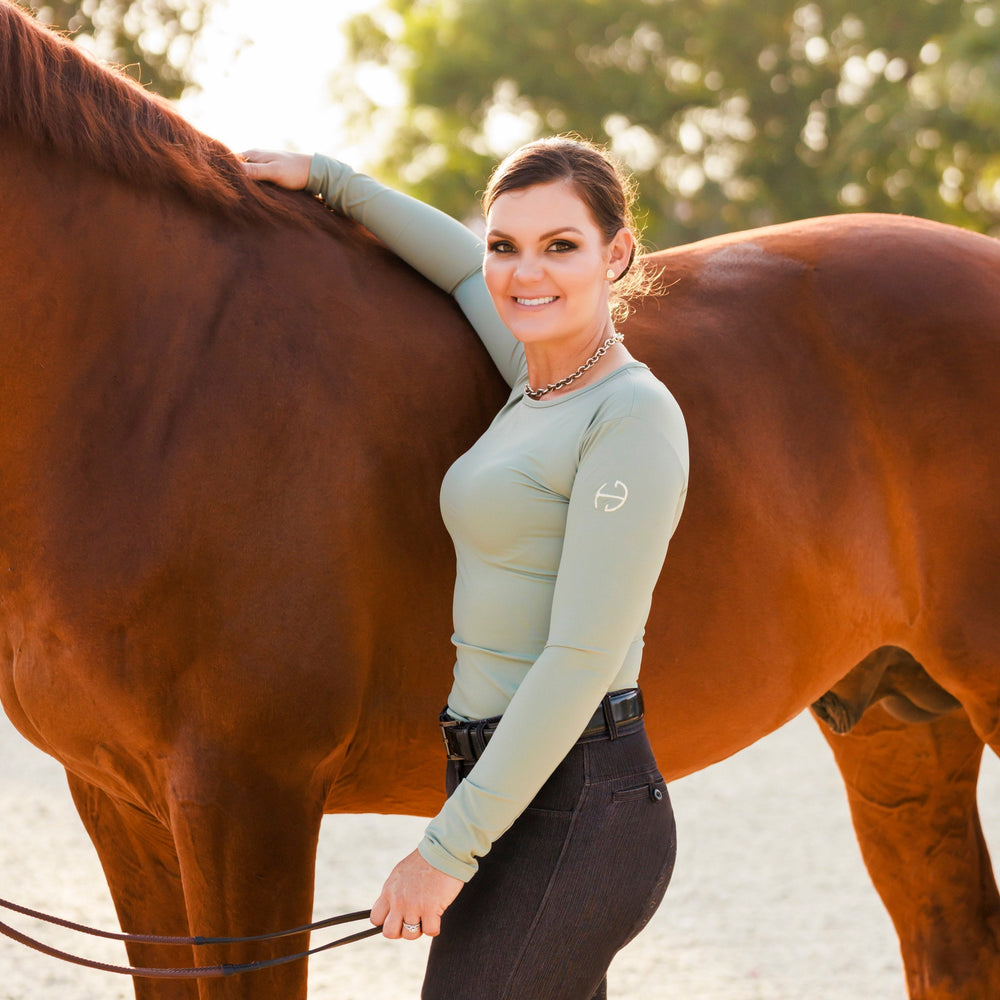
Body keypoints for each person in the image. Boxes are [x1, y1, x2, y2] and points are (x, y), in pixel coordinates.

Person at [242, 136, 689, 999]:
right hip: (495, 780)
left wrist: (443, 853)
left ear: (617, 253)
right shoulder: (535, 381)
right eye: (505, 245)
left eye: (561, 245)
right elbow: (453, 270)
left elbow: (583, 658)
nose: (527, 273)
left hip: (582, 804)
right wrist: (328, 180)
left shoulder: (630, 415)